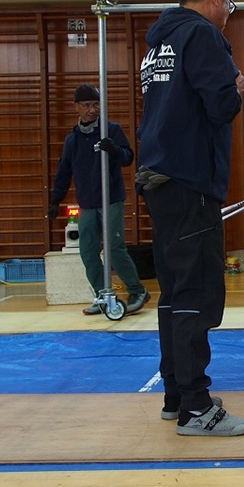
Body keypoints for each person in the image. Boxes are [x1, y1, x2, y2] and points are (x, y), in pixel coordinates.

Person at [136, 0, 244, 436]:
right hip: (189, 180)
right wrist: (237, 89)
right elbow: (221, 105)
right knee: (196, 291)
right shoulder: (202, 36)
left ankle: (176, 393)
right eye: (228, 5)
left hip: (160, 177)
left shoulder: (158, 42)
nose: (228, 14)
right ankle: (197, 406)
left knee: (174, 290)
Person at [49, 84, 150, 316]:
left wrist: (114, 150)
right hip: (87, 203)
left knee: (114, 247)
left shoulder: (110, 130)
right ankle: (102, 294)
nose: (92, 110)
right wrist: (56, 199)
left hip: (111, 199)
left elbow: (128, 158)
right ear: (76, 107)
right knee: (88, 251)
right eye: (87, 105)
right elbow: (64, 172)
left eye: (96, 105)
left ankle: (137, 290)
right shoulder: (72, 140)